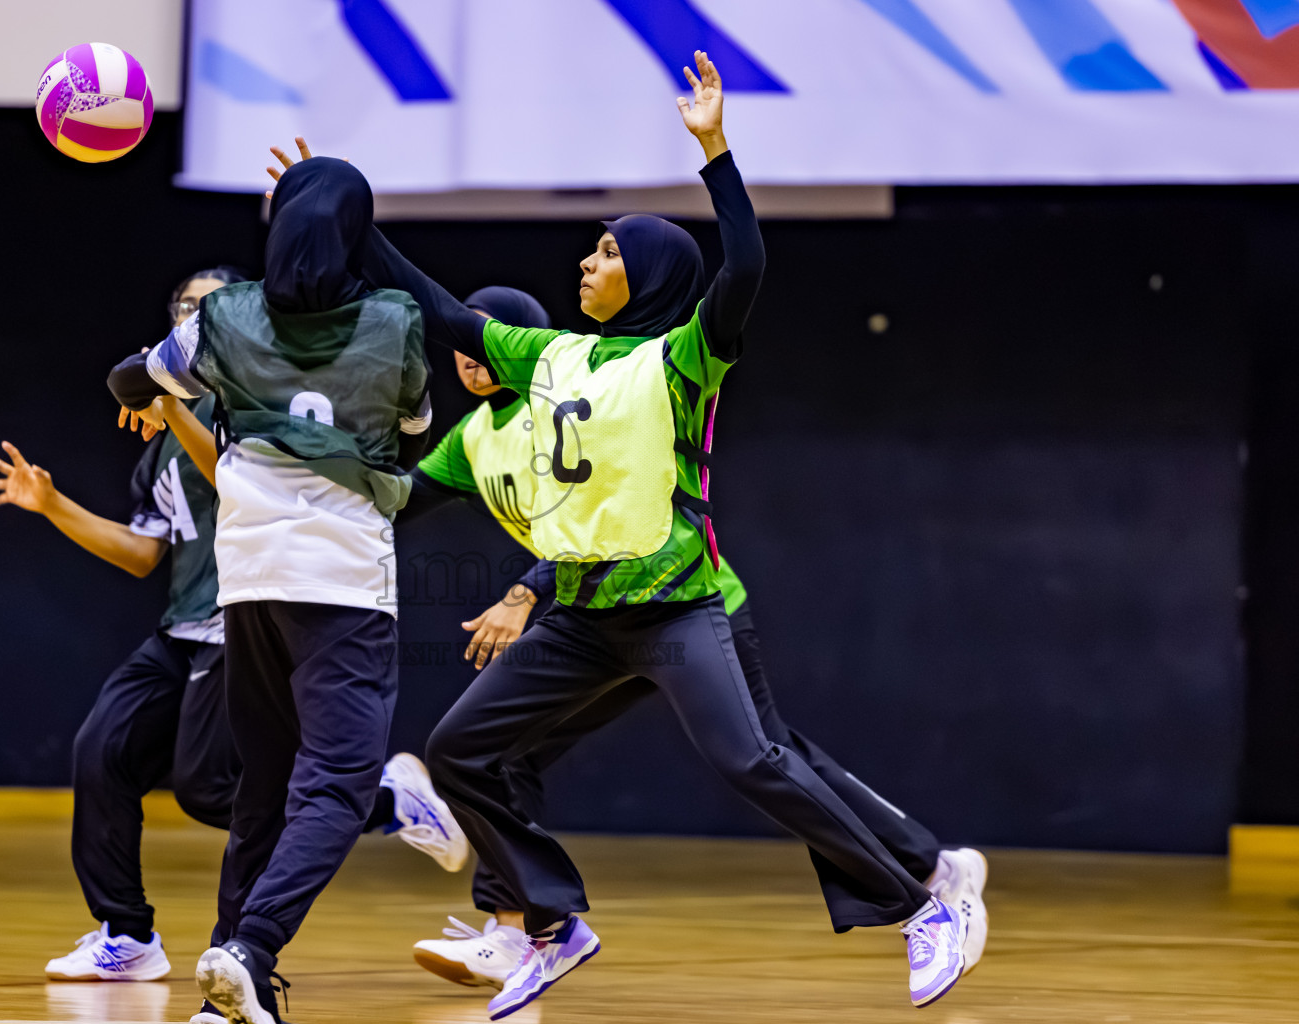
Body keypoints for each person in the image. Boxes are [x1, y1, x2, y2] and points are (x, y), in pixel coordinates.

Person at [358, 52, 972, 1016]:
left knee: (755, 760)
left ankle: (922, 906)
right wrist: (352, 223)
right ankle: (552, 923)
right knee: (463, 748)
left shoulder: (684, 357)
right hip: (582, 616)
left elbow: (746, 267)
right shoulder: (552, 354)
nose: (585, 263)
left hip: (677, 609)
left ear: (645, 275)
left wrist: (715, 152)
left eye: (605, 252)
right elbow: (443, 312)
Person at [386, 288, 988, 992]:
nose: (469, 353)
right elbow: (401, 500)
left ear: (520, 342)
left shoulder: (570, 398)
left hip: (688, 604)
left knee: (767, 756)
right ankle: (516, 928)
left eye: (485, 337)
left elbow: (605, 517)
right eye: (462, 340)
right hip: (599, 618)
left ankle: (930, 870)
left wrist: (524, 593)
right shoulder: (472, 438)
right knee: (502, 750)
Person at [107, 157, 439, 1024]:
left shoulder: (223, 316)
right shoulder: (393, 318)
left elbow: (128, 381)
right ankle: (251, 947)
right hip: (344, 579)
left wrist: (164, 390)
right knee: (337, 785)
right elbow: (413, 428)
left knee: (263, 784)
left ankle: (228, 991)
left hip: (248, 578)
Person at [0, 269, 244, 983]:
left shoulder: (252, 404)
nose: (193, 316)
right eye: (184, 306)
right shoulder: (160, 445)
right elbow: (142, 553)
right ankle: (127, 936)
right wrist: (53, 505)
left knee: (208, 789)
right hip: (184, 627)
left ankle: (375, 798)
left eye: (209, 306)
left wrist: (170, 407)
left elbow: (233, 478)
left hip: (248, 623)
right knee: (102, 751)